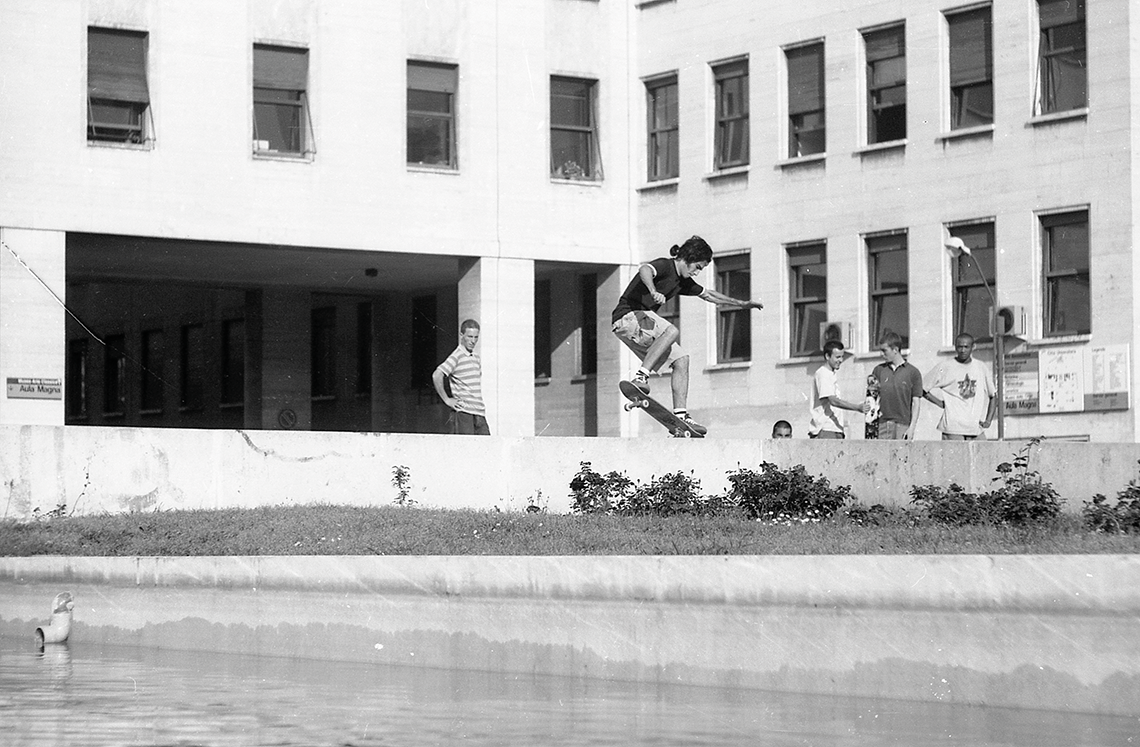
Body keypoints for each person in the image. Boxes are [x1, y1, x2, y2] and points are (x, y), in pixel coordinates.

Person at [611, 236, 763, 434]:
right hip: (627, 316)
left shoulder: (683, 282)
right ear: (688, 257)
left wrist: (741, 304)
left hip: (640, 326)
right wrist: (653, 290)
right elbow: (645, 269)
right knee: (671, 331)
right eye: (697, 267)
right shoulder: (666, 266)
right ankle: (641, 377)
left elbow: (709, 294)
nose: (697, 273)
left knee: (682, 360)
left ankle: (680, 415)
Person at [922, 333, 997, 440]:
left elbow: (993, 395)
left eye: (966, 347)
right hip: (953, 427)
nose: (962, 350)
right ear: (955, 347)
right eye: (959, 347)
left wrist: (988, 420)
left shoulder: (981, 367)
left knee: (983, 454)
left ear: (973, 347)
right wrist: (939, 403)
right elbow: (921, 388)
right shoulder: (945, 366)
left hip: (974, 427)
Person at [432, 319, 490, 435]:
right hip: (464, 413)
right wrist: (447, 399)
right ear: (462, 335)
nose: (473, 341)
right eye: (469, 337)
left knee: (487, 449)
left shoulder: (476, 357)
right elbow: (437, 375)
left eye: (475, 337)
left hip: (479, 413)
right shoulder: (456, 356)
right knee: (466, 449)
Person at [808, 340, 869, 438]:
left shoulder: (831, 374)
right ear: (827, 356)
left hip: (835, 429)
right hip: (826, 429)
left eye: (842, 356)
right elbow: (833, 401)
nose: (840, 360)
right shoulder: (823, 374)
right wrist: (857, 407)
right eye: (837, 357)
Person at [871, 331, 923, 440]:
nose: (881, 354)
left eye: (884, 350)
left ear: (895, 350)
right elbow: (872, 399)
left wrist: (912, 428)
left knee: (901, 456)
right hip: (882, 425)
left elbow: (916, 403)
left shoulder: (913, 372)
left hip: (903, 425)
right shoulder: (878, 370)